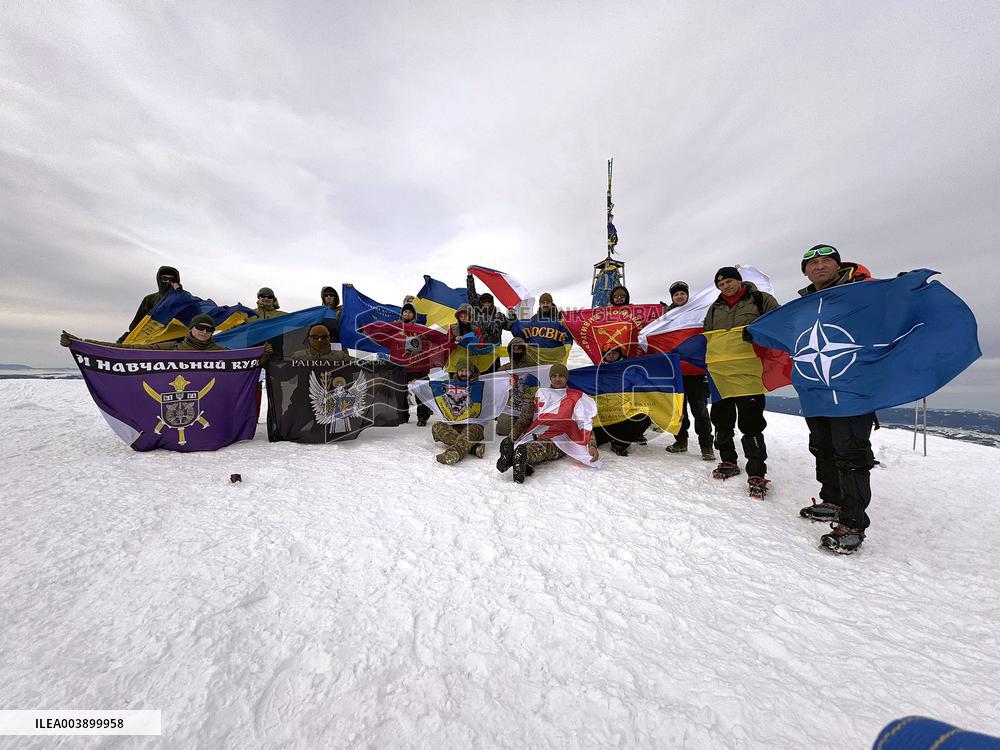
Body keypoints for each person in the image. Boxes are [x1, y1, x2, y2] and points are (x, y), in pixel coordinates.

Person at [795, 244, 876, 554]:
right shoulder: (805, 304)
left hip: (852, 387)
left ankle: (854, 522)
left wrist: (904, 293)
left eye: (826, 260)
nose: (819, 266)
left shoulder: (862, 291)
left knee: (851, 452)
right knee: (823, 445)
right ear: (805, 272)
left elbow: (888, 316)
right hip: (817, 388)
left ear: (838, 265)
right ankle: (832, 499)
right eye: (811, 263)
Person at [703, 266, 779, 499]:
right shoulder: (714, 308)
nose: (725, 286)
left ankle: (756, 470)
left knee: (751, 422)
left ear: (738, 280)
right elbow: (708, 335)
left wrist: (757, 333)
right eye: (721, 283)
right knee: (722, 419)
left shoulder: (760, 299)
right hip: (721, 373)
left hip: (749, 372)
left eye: (728, 281)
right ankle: (728, 460)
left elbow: (778, 324)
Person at [496, 363, 599, 483]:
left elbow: (585, 424)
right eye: (554, 376)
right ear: (550, 378)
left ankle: (521, 457)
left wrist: (592, 446)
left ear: (566, 378)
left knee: (543, 446)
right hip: (540, 431)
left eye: (561, 376)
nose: (557, 379)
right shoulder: (541, 394)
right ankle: (518, 457)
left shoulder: (576, 397)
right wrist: (512, 437)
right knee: (533, 444)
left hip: (561, 435)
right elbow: (524, 419)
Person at [663, 281, 715, 460]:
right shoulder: (665, 318)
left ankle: (706, 446)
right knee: (678, 410)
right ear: (672, 298)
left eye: (682, 294)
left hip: (696, 371)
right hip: (675, 373)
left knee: (699, 410)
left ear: (687, 295)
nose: (679, 297)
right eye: (676, 294)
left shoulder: (697, 313)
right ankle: (681, 441)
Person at [63, 314, 239, 353]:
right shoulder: (173, 347)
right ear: (191, 328)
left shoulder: (220, 352)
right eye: (200, 327)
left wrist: (262, 357)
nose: (204, 332)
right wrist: (82, 343)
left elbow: (246, 364)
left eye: (209, 329)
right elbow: (131, 349)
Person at [591, 347, 650, 456]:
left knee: (643, 418)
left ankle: (620, 443)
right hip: (603, 418)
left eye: (614, 353)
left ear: (620, 355)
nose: (611, 356)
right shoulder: (595, 371)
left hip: (624, 414)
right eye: (608, 354)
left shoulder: (630, 370)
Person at [430, 354, 486, 465]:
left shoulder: (482, 384)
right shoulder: (449, 384)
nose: (464, 373)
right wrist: (416, 384)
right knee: (436, 426)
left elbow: (497, 393)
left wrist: (507, 385)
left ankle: (454, 452)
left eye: (467, 370)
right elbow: (430, 386)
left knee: (473, 428)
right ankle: (473, 448)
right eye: (461, 370)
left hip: (473, 424)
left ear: (471, 371)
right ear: (457, 371)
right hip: (453, 425)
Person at [119, 266, 182, 341]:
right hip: (149, 338)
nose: (168, 281)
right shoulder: (149, 299)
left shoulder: (185, 300)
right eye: (164, 279)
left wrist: (180, 294)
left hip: (174, 339)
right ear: (159, 280)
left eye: (171, 279)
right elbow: (137, 323)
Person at [399, 302, 434, 426]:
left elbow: (429, 342)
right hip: (402, 366)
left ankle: (422, 416)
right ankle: (402, 416)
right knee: (401, 391)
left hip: (419, 366)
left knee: (422, 391)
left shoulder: (420, 328)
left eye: (410, 312)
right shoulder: (397, 328)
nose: (407, 314)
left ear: (414, 314)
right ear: (402, 313)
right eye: (405, 312)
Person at [495, 337, 530, 436]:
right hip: (510, 405)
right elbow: (497, 389)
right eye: (514, 349)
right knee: (502, 429)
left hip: (528, 405)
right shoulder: (504, 369)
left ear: (524, 350)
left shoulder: (533, 367)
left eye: (519, 349)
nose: (516, 351)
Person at [466, 271, 510, 345]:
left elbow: (513, 326)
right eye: (484, 302)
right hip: (477, 350)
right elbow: (471, 294)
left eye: (488, 302)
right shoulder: (476, 314)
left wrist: (513, 314)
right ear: (481, 303)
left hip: (494, 351)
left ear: (492, 303)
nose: (486, 304)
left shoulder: (500, 316)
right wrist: (470, 277)